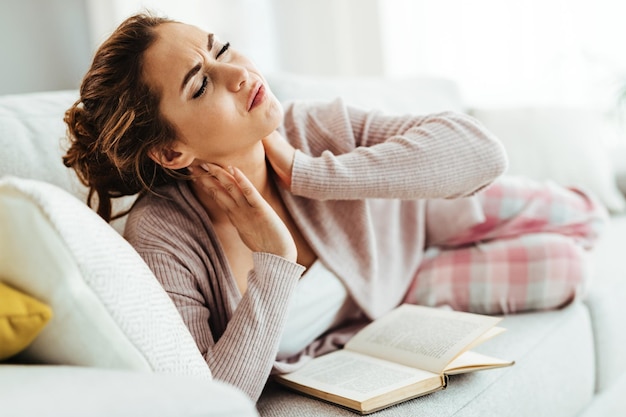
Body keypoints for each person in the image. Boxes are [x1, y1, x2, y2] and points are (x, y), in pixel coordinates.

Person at [63, 13, 607, 401]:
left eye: (221, 49)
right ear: (171, 150)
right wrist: (274, 259)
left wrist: (310, 174)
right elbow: (214, 400)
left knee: (584, 216)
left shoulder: (312, 127)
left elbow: (482, 153)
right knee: (567, 270)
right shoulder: (164, 237)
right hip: (405, 292)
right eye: (202, 84)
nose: (239, 74)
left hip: (420, 211)